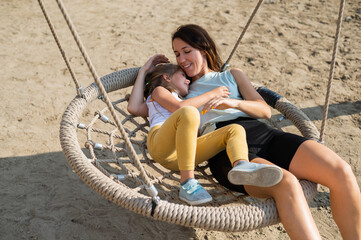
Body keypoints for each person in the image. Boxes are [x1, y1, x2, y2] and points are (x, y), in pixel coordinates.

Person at [169, 24, 361, 239]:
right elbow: (149, 104)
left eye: (187, 51)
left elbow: (264, 111)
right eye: (177, 54)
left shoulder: (232, 75)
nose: (182, 60)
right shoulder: (181, 91)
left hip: (264, 134)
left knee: (341, 171)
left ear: (204, 49)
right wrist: (149, 71)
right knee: (286, 183)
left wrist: (232, 103)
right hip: (226, 150)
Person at [127, 55, 283, 206]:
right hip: (161, 146)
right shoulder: (159, 93)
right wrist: (143, 71)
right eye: (182, 75)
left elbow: (184, 112)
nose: (188, 79)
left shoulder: (182, 101)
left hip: (183, 156)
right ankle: (187, 183)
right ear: (167, 78)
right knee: (189, 112)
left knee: (234, 129)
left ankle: (242, 165)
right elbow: (135, 107)